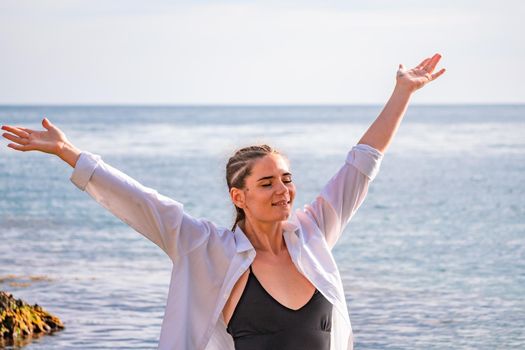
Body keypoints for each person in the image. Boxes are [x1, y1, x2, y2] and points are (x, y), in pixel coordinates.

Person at [1, 54, 445, 350]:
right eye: (267, 182)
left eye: (287, 180)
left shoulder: (313, 234)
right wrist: (68, 153)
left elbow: (361, 165)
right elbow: (140, 201)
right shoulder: (207, 247)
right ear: (239, 196)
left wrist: (402, 93)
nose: (283, 191)